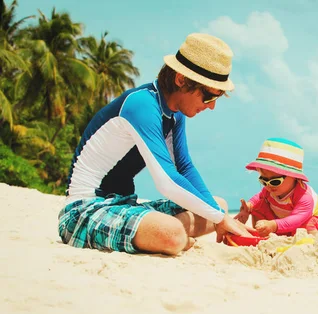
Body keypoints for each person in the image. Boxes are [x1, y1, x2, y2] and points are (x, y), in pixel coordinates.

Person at [58, 33, 256, 256]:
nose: (211, 107)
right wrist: (220, 219)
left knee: (216, 204)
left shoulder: (174, 114)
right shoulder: (141, 104)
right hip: (85, 210)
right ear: (181, 80)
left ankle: (166, 237)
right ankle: (171, 238)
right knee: (175, 231)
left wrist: (220, 216)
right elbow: (167, 181)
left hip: (126, 205)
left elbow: (185, 168)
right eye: (209, 97)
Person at [234, 138, 318, 236]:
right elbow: (259, 196)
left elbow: (296, 219)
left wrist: (274, 225)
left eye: (275, 181)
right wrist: (249, 206)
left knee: (308, 224)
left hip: (302, 223)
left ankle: (309, 241)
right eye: (264, 181)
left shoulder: (304, 197)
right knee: (258, 206)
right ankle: (262, 232)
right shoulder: (269, 190)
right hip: (280, 219)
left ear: (294, 177)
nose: (268, 185)